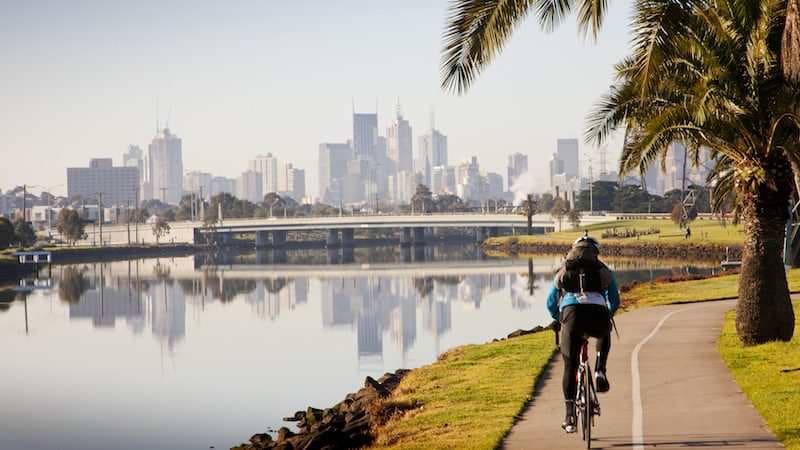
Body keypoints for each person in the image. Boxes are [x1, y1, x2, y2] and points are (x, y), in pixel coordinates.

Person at [546, 233, 620, 433]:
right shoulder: (603, 269)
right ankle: (599, 369)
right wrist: (608, 314)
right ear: (595, 252)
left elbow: (551, 302)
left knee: (570, 365)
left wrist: (559, 318)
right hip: (597, 313)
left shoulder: (564, 269)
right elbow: (615, 299)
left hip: (571, 315)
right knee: (605, 330)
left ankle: (570, 417)